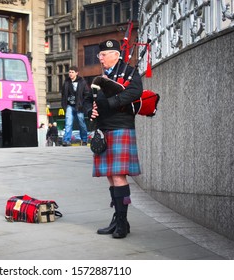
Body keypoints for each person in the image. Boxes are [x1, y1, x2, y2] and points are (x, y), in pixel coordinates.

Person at [83, 39, 143, 239]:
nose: (100, 58)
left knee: (118, 175)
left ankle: (122, 223)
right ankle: (119, 219)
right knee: (110, 175)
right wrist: (88, 110)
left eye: (103, 54)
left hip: (120, 126)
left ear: (116, 54)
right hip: (104, 128)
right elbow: (87, 99)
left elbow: (135, 92)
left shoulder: (129, 71)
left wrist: (110, 103)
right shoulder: (101, 77)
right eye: (99, 55)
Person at [61, 66, 89, 146]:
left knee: (82, 123)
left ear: (76, 73)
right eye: (69, 72)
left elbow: (86, 94)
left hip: (79, 106)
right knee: (68, 123)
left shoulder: (82, 82)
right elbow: (63, 94)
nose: (70, 74)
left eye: (72, 72)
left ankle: (84, 140)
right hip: (69, 105)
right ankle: (66, 140)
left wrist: (83, 104)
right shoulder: (66, 82)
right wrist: (64, 105)